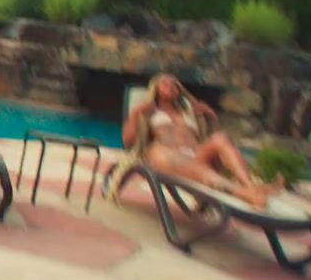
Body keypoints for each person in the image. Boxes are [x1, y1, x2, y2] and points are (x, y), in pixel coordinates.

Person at [116, 73, 282, 208]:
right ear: (155, 88)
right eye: (165, 83)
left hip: (195, 154)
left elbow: (212, 140)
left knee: (221, 137)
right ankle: (246, 194)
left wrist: (210, 116)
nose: (171, 86)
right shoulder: (147, 110)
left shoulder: (189, 111)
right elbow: (128, 142)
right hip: (166, 155)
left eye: (175, 85)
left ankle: (249, 186)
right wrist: (135, 114)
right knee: (201, 170)